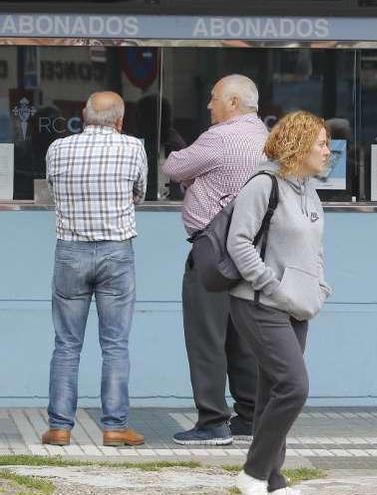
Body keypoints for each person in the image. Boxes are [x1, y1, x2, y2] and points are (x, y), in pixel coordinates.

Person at [228, 111, 332, 495]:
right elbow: (238, 242)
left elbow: (315, 246)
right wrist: (270, 284)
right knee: (293, 387)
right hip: (259, 304)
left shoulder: (309, 190)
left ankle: (272, 480)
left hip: (297, 307)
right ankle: (254, 473)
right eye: (321, 142)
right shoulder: (262, 184)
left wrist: (319, 286)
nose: (327, 150)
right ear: (299, 143)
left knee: (274, 391)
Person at [162, 74, 266, 445]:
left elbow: (173, 167)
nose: (209, 105)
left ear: (234, 102)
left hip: (213, 250)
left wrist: (193, 179)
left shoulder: (220, 138)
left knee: (207, 336)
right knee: (244, 336)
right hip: (255, 251)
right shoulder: (268, 140)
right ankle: (250, 416)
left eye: (213, 98)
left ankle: (212, 421)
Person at [41, 91, 147, 447]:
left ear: (84, 116)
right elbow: (139, 193)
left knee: (66, 344)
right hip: (117, 252)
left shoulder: (58, 148)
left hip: (70, 250)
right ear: (120, 119)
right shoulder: (133, 147)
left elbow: (54, 191)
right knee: (115, 343)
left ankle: (59, 427)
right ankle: (115, 426)